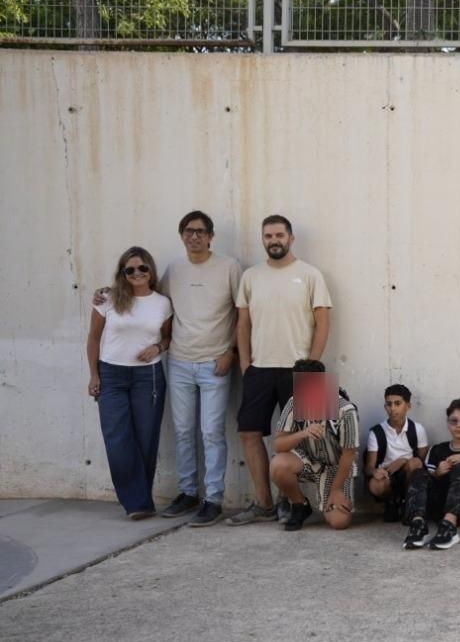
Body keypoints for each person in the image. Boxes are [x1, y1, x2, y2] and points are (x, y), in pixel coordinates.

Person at [228, 215, 332, 526]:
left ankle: (295, 501)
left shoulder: (311, 274)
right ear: (263, 240)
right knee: (249, 432)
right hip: (259, 369)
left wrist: (312, 366)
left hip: (305, 370)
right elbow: (242, 324)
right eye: (268, 236)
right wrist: (246, 365)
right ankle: (264, 503)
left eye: (279, 235)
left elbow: (324, 322)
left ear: (291, 238)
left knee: (313, 437)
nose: (274, 240)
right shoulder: (251, 276)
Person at [157, 211, 241, 526]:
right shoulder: (174, 269)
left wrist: (231, 352)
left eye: (201, 231)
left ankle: (214, 498)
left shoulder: (229, 267)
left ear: (210, 236)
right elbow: (157, 304)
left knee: (211, 432)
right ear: (182, 236)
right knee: (182, 431)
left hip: (215, 363)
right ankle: (188, 492)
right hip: (179, 361)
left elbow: (241, 311)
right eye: (189, 231)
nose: (195, 236)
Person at [86, 247, 173, 520]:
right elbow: (93, 339)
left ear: (150, 271)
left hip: (148, 377)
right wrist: (94, 374)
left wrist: (158, 347)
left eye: (142, 268)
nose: (137, 273)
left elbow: (169, 337)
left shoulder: (162, 303)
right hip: (112, 375)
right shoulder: (108, 299)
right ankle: (136, 501)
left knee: (146, 440)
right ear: (122, 273)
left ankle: (140, 502)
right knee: (117, 440)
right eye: (130, 269)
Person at [269, 360, 360, 532]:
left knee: (339, 522)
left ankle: (331, 497)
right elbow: (278, 445)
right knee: (278, 464)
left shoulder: (345, 410)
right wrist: (303, 433)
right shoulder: (294, 402)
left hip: (336, 467)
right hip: (308, 461)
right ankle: (300, 505)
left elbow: (349, 455)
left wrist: (336, 490)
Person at [402, 398, 460, 551]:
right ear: (448, 422)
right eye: (454, 421)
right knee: (419, 472)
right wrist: (437, 473)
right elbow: (424, 483)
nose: (458, 425)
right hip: (439, 510)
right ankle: (418, 525)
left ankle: (449, 527)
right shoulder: (438, 449)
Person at [365, 383, 427, 522]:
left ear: (408, 406)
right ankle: (391, 502)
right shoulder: (376, 432)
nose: (392, 408)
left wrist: (403, 461)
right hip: (387, 475)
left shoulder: (418, 429)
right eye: (389, 404)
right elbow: (369, 467)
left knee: (415, 463)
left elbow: (422, 462)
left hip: (408, 474)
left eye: (397, 403)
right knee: (376, 485)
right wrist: (375, 472)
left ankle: (409, 503)